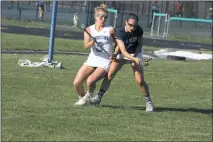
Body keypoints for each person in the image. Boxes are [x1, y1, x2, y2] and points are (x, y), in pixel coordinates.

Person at [89, 13, 154, 112]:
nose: (132, 27)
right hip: (122, 54)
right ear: (126, 22)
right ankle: (98, 98)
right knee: (109, 75)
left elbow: (139, 45)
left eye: (134, 25)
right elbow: (122, 50)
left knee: (139, 80)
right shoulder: (119, 32)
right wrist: (115, 53)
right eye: (130, 25)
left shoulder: (139, 29)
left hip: (135, 53)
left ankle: (148, 102)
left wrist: (135, 57)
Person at [73, 4, 116, 106]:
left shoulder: (110, 30)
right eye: (101, 17)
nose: (103, 19)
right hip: (93, 59)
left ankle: (87, 98)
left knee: (90, 81)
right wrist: (93, 42)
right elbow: (86, 46)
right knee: (77, 83)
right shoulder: (89, 30)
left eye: (105, 17)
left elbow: (118, 43)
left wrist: (115, 53)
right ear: (96, 17)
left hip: (105, 61)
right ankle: (84, 99)